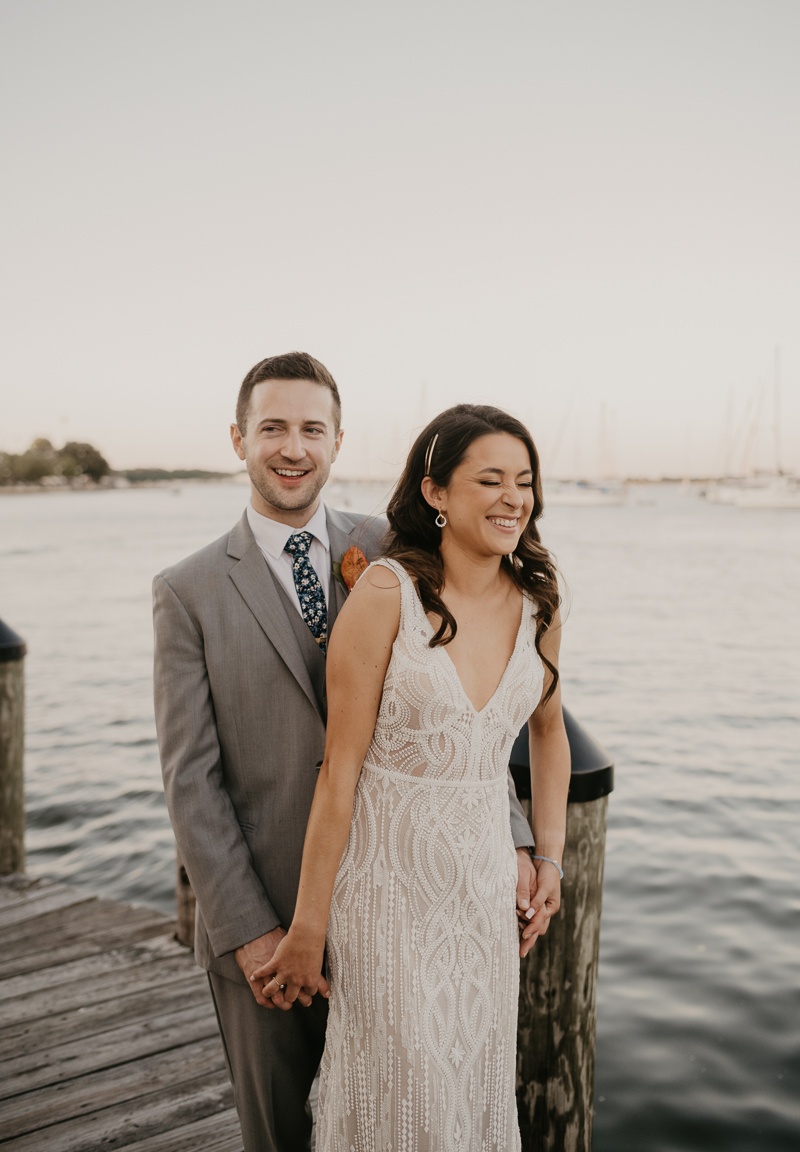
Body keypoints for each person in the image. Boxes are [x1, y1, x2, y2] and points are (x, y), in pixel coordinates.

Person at [153, 360, 538, 1151]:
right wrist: (253, 929)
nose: (293, 448)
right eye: (272, 428)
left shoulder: (395, 551)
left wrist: (521, 839)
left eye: (311, 429)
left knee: (411, 1120)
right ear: (239, 440)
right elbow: (190, 781)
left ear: (336, 442)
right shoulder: (187, 590)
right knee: (287, 1133)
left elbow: (468, 704)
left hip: (404, 912)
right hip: (268, 919)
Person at [256, 403, 571, 1151]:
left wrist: (550, 854)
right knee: (404, 1095)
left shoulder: (540, 601)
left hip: (482, 894)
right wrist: (308, 927)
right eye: (489, 479)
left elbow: (550, 732)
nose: (512, 499)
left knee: (470, 1088)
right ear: (436, 493)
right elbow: (339, 776)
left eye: (523, 482)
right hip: (388, 896)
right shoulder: (386, 594)